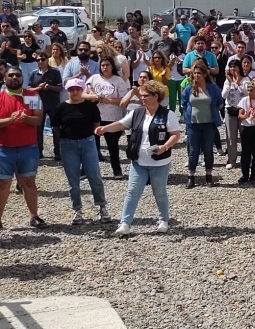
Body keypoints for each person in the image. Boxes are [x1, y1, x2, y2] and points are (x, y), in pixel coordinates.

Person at [97, 80, 180, 236]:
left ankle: (163, 220)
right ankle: (125, 224)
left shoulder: (168, 114)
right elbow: (121, 124)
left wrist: (164, 147)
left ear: (156, 96)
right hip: (138, 161)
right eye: (141, 95)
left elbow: (175, 134)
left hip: (160, 162)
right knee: (132, 192)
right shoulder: (137, 113)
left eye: (146, 95)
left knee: (159, 191)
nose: (142, 98)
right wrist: (105, 128)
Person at [51, 78, 110, 225]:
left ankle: (102, 207)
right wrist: (66, 137)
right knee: (73, 180)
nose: (75, 91)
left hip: (87, 142)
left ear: (82, 90)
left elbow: (96, 123)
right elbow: (55, 126)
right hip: (68, 144)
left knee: (94, 176)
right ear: (68, 91)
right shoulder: (61, 107)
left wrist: (88, 135)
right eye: (71, 89)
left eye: (77, 89)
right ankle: (77, 210)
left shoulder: (90, 107)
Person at [0, 67, 47, 229]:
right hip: (4, 149)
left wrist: (27, 118)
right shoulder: (0, 97)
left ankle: (34, 216)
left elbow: (39, 119)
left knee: (29, 183)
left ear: (22, 78)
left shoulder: (31, 95)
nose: (14, 78)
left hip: (28, 148)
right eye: (11, 75)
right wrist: (9, 120)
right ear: (4, 78)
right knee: (3, 184)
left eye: (18, 75)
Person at [181, 60, 224, 189]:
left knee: (208, 150)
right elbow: (183, 103)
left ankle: (209, 176)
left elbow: (220, 102)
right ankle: (191, 177)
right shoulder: (189, 88)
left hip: (209, 124)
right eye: (194, 73)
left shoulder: (212, 88)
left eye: (199, 73)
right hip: (193, 124)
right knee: (193, 151)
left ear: (205, 74)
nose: (196, 75)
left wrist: (214, 112)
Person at [85, 57, 130, 179]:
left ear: (112, 67)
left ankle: (117, 170)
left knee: (112, 145)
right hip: (95, 117)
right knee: (92, 146)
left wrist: (108, 100)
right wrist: (92, 96)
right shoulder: (93, 78)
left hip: (112, 118)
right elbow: (83, 93)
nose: (105, 67)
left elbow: (124, 100)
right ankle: (88, 171)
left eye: (107, 65)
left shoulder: (118, 81)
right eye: (103, 65)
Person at [29, 51, 63, 160]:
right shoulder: (33, 73)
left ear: (47, 59)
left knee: (56, 128)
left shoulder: (55, 72)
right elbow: (28, 89)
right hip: (36, 102)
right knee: (37, 129)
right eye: (38, 60)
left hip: (52, 102)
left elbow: (60, 88)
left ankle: (58, 152)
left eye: (42, 59)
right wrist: (38, 88)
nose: (40, 62)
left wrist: (49, 87)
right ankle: (38, 152)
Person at [222, 60, 248, 170]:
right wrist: (230, 84)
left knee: (245, 136)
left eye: (235, 66)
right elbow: (223, 95)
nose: (233, 69)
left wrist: (238, 84)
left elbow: (247, 94)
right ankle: (232, 160)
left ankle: (246, 159)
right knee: (231, 136)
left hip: (243, 110)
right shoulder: (227, 81)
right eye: (231, 67)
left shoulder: (246, 80)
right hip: (230, 110)